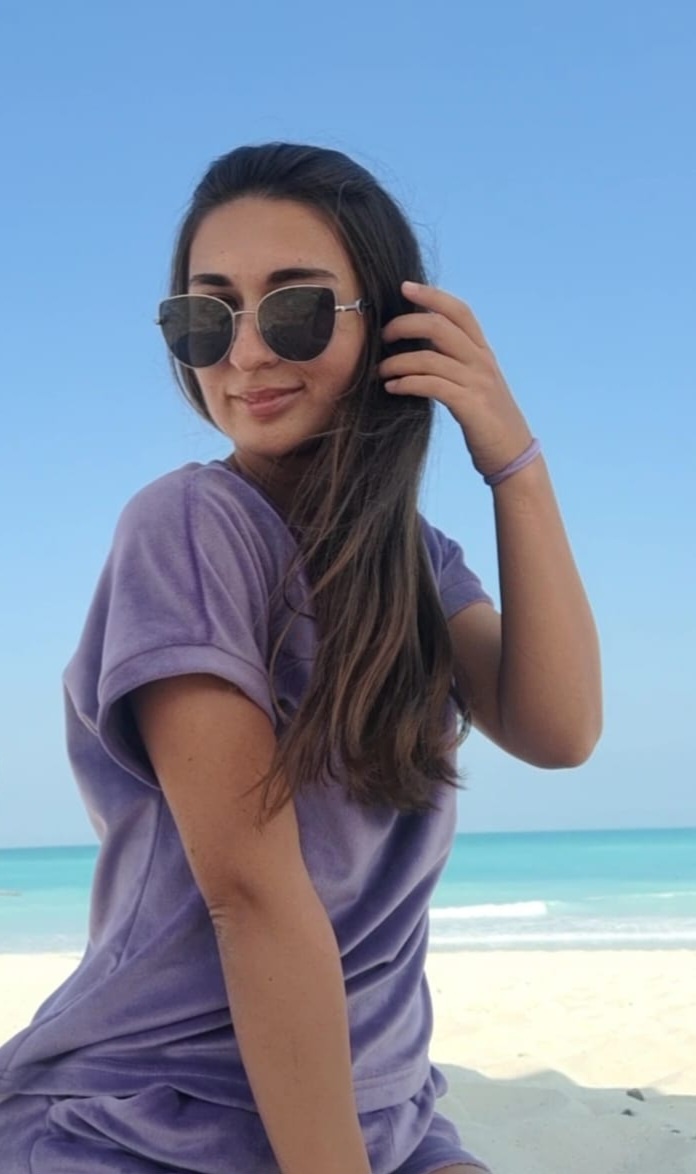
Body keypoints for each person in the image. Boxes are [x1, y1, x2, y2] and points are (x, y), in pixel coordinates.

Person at [0, 142, 602, 1174]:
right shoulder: (189, 526)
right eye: (206, 317)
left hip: (381, 1108)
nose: (243, 355)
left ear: (394, 326)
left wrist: (514, 462)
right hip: (155, 1113)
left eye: (296, 309)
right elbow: (253, 896)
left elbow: (560, 730)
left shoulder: (413, 563)